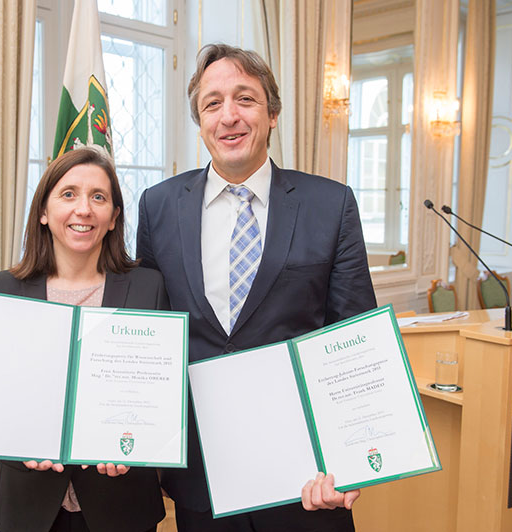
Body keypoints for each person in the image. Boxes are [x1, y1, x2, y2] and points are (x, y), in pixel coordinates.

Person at [136, 44, 377, 531]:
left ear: (272, 113)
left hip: (306, 478)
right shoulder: (158, 206)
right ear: (200, 121)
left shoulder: (331, 205)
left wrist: (353, 457)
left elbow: (355, 339)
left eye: (244, 99)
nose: (229, 116)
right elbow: (149, 330)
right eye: (212, 103)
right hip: (201, 476)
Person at [0, 147, 167, 532]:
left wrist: (139, 447)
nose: (83, 209)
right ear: (43, 212)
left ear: (114, 217)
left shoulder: (149, 287)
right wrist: (15, 444)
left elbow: (161, 396)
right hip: (28, 506)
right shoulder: (2, 289)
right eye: (68, 194)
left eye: (98, 197)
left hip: (122, 505)